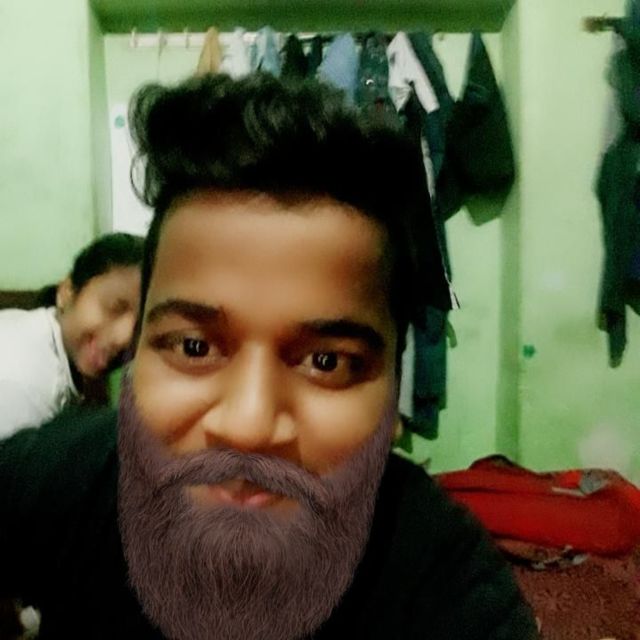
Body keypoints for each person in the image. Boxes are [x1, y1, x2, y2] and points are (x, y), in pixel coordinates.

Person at [0, 73, 538, 639]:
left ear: (393, 395)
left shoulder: (440, 582)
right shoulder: (71, 477)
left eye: (326, 362)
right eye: (194, 347)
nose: (248, 426)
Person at [0, 232, 144, 438]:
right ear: (67, 292)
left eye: (141, 327)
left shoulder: (52, 351)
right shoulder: (23, 384)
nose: (125, 338)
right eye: (114, 308)